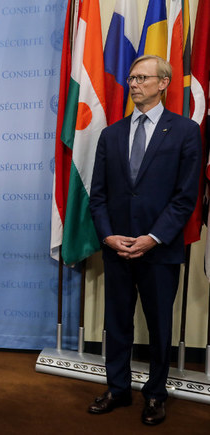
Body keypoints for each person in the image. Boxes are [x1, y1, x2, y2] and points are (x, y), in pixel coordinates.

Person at [88, 55, 201, 425]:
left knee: (158, 327)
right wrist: (107, 235)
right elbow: (99, 195)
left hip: (160, 249)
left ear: (163, 82)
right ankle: (117, 389)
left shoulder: (185, 131)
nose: (134, 84)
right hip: (117, 248)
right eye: (131, 77)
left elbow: (186, 196)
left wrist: (153, 237)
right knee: (117, 323)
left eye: (142, 78)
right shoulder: (111, 134)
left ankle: (155, 394)